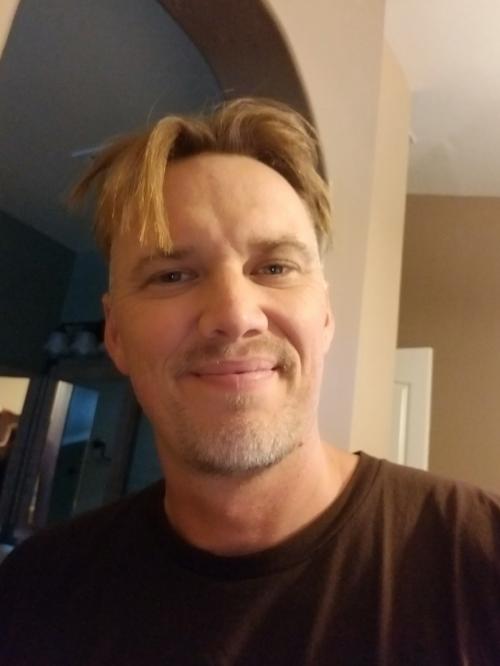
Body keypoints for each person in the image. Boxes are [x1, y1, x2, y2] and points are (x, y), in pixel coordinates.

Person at [0, 98, 499, 665]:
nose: (236, 315)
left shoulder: (482, 559)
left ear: (325, 315)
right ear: (115, 333)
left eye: (275, 268)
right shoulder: (33, 593)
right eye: (173, 275)